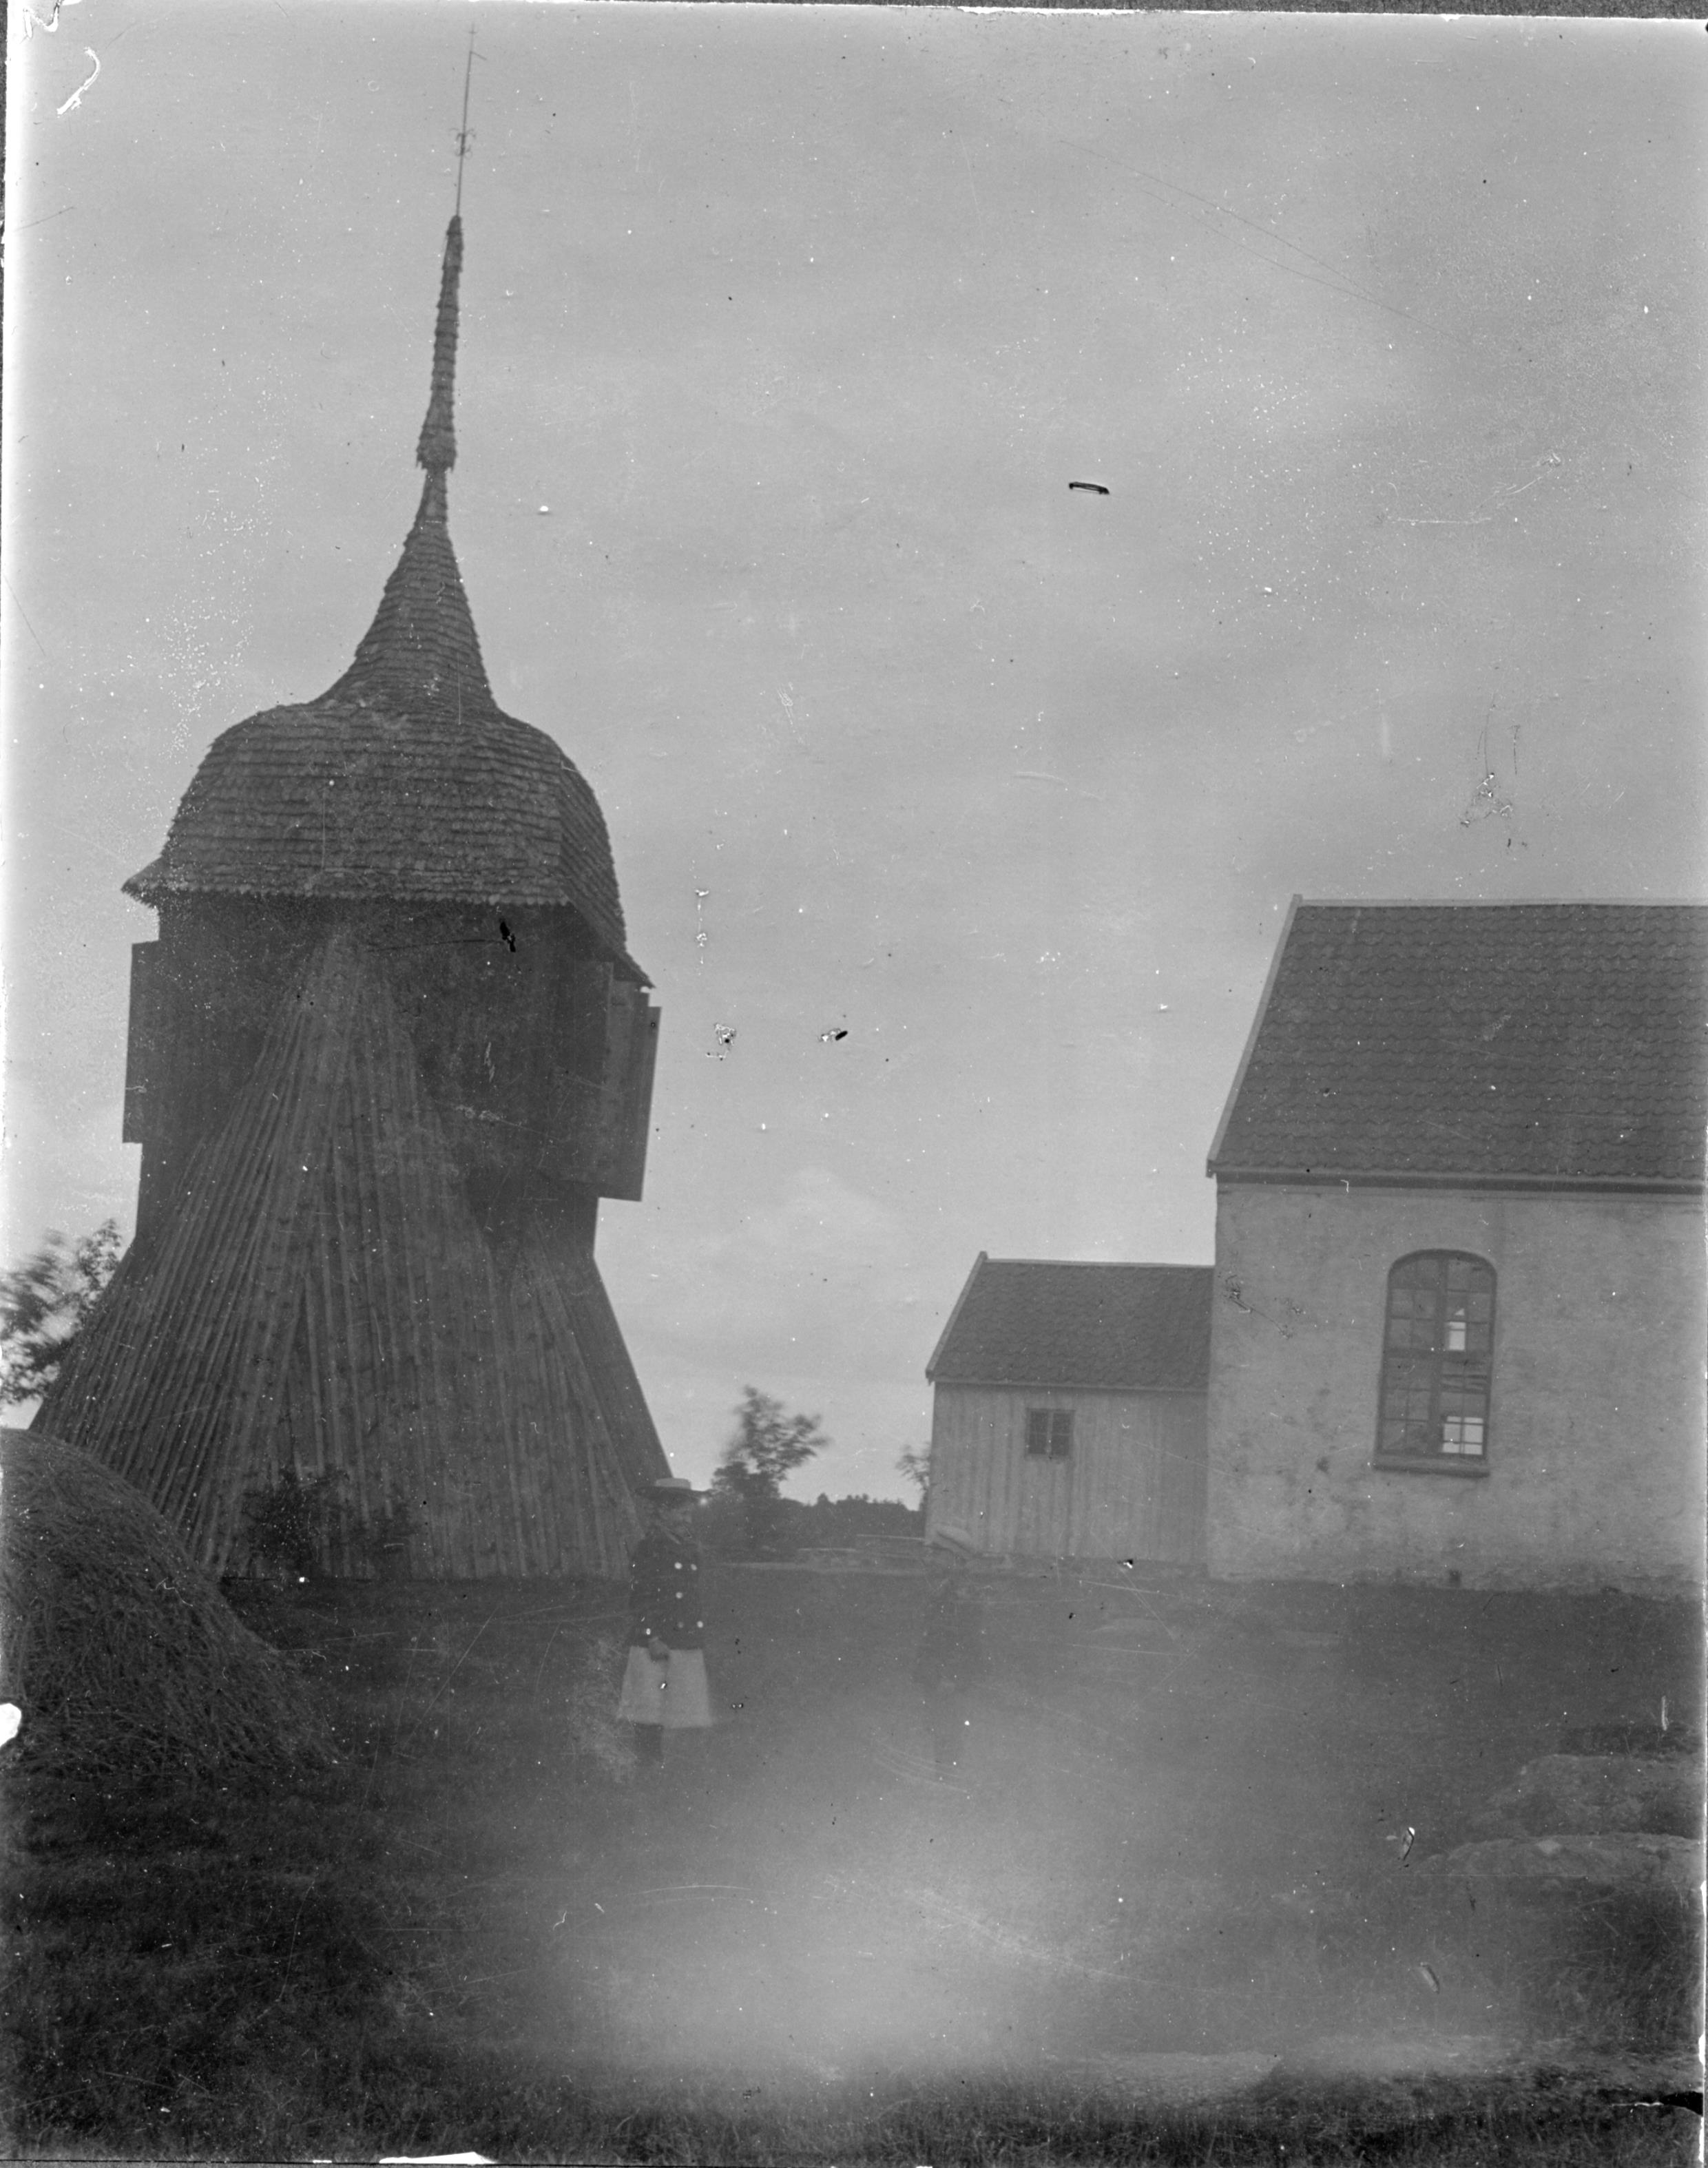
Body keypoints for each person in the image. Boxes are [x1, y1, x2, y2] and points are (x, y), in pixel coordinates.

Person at [616, 1476, 714, 1768]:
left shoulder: (689, 1547)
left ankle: (680, 1764)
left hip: (685, 1637)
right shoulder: (650, 1548)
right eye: (681, 1513)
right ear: (663, 1512)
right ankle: (648, 1761)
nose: (687, 1519)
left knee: (683, 1703)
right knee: (650, 1704)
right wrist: (652, 1636)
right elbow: (642, 1596)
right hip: (657, 1640)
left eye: (689, 1513)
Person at [912, 1525, 988, 1778]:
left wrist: (952, 1677)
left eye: (938, 1552)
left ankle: (947, 1783)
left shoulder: (963, 1594)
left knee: (949, 1733)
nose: (931, 1557)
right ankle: (941, 1778)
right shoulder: (945, 1587)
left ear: (955, 1558)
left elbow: (969, 1641)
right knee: (939, 1731)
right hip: (937, 1675)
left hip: (949, 1680)